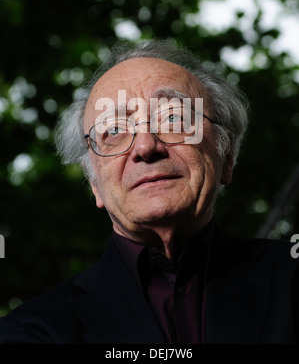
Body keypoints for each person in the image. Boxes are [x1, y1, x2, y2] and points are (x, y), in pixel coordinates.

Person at [0, 39, 298, 344]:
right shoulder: (32, 332)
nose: (145, 146)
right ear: (95, 184)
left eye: (174, 118)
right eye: (113, 130)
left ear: (227, 158)